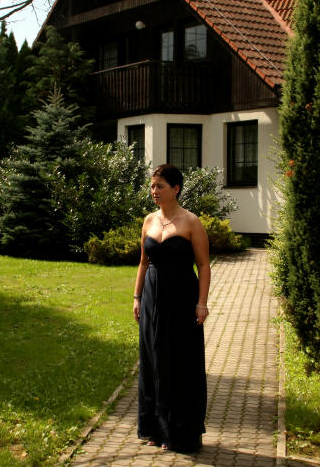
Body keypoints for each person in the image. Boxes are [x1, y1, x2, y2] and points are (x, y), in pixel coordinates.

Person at [133, 163, 210, 452]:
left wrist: (201, 303)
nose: (154, 191)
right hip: (152, 298)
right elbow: (143, 262)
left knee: (179, 362)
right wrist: (137, 297)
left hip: (182, 298)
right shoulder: (149, 220)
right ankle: (154, 429)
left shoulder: (191, 222)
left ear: (175, 189)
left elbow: (203, 265)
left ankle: (179, 433)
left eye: (160, 186)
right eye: (152, 186)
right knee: (152, 360)